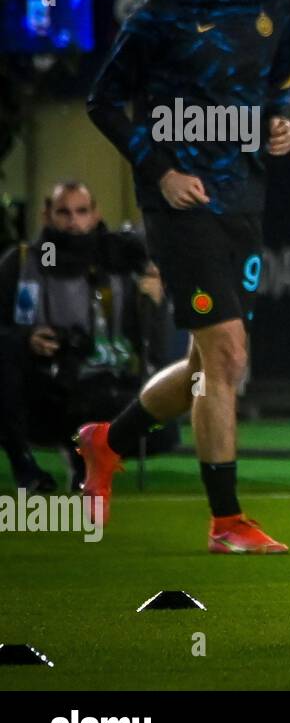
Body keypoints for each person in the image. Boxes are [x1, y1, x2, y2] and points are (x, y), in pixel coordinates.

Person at [82, 0, 290, 552]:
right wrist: (163, 172)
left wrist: (281, 128)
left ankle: (104, 442)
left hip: (244, 205)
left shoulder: (275, 7)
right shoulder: (165, 14)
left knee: (214, 369)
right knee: (227, 354)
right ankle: (226, 521)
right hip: (181, 208)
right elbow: (104, 102)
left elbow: (279, 92)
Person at [0, 181, 175, 492]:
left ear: (96, 215)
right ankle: (25, 465)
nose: (73, 222)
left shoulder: (120, 259)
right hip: (41, 386)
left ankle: (89, 459)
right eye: (63, 212)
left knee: (162, 426)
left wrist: (154, 304)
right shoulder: (28, 261)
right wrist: (27, 338)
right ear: (46, 216)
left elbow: (151, 348)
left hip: (103, 383)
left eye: (81, 212)